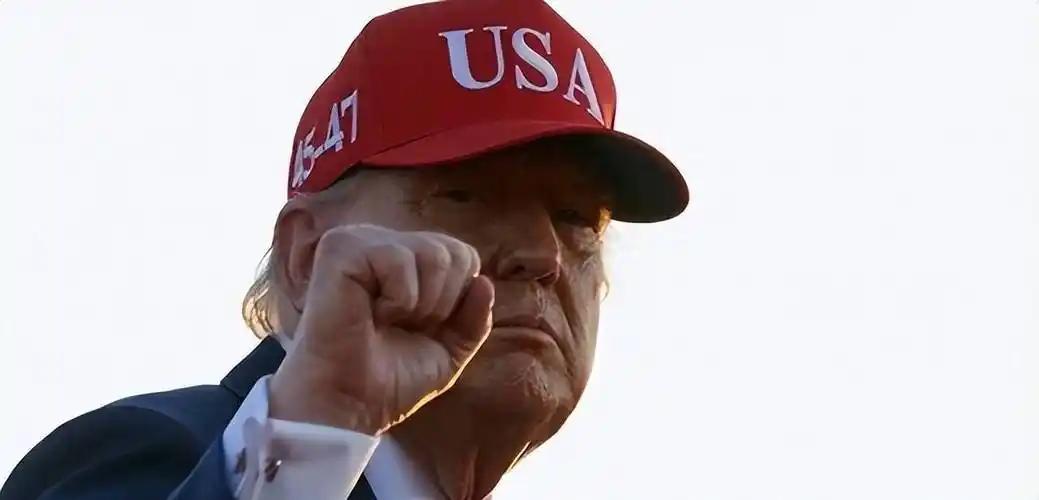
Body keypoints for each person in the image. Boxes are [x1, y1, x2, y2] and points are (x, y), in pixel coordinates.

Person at [0, 0, 688, 499]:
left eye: (575, 218)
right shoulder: (154, 452)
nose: (542, 253)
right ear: (306, 257)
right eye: (465, 196)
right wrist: (313, 439)